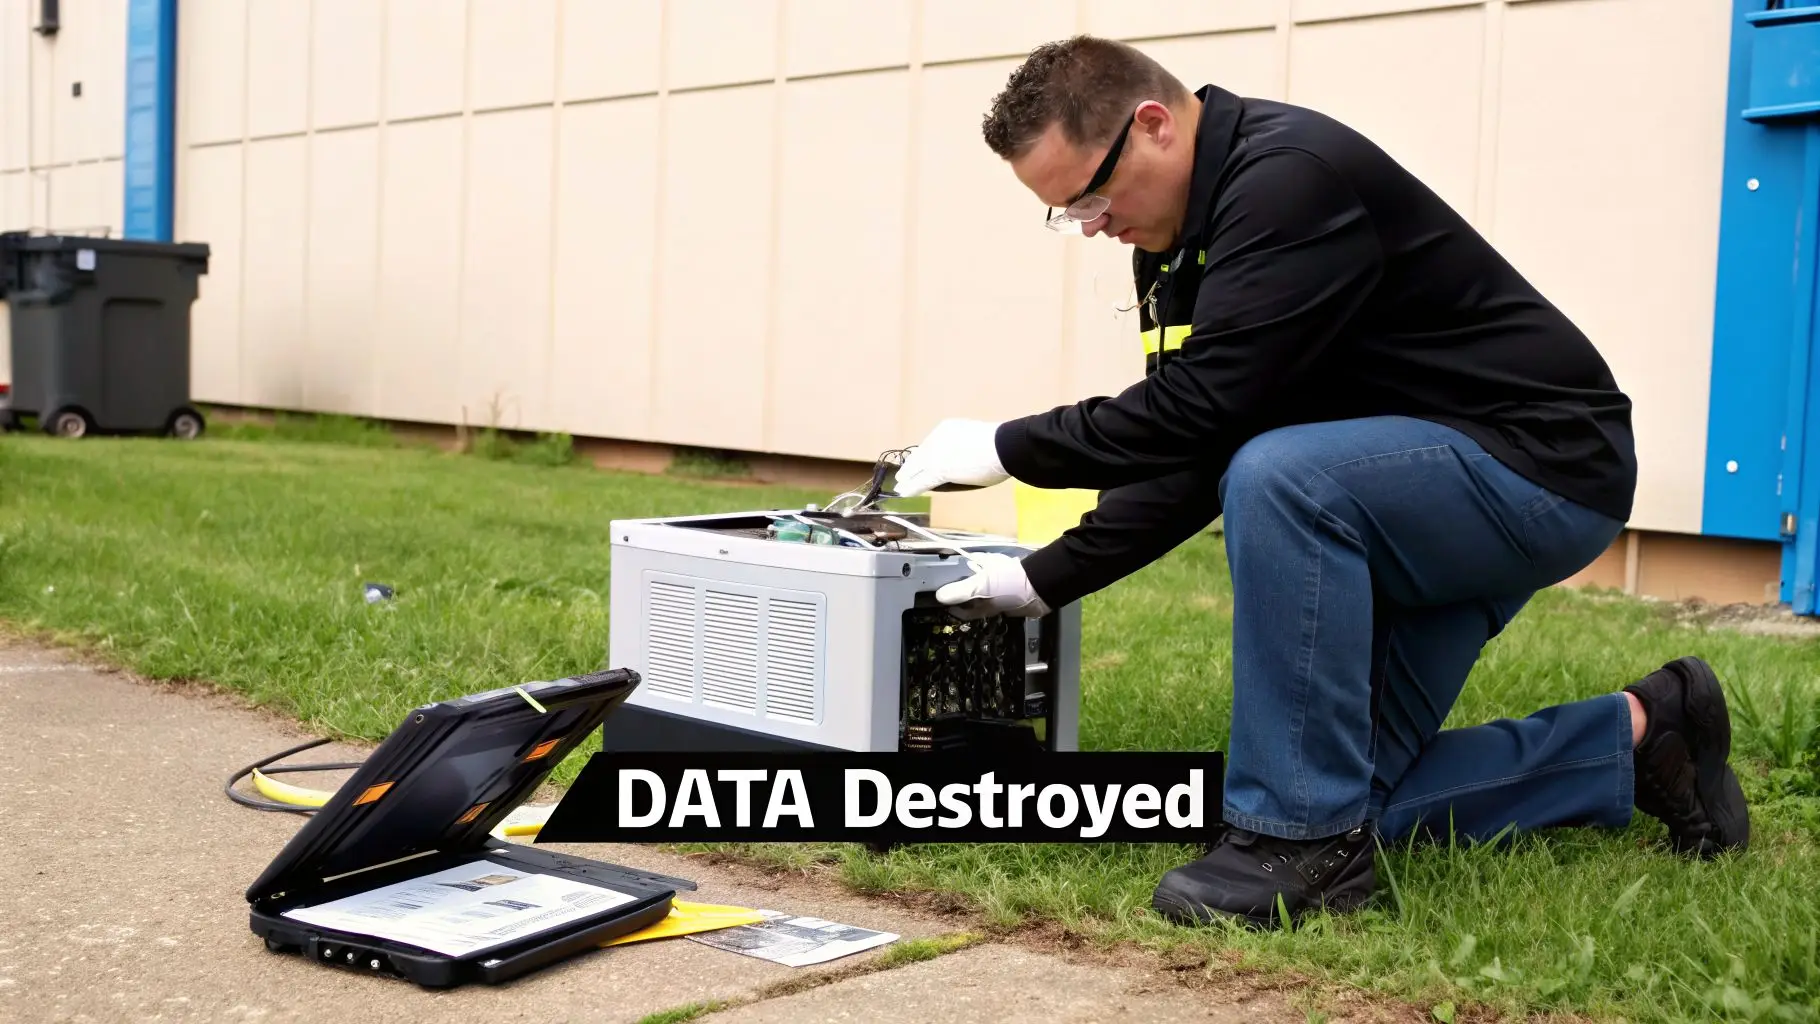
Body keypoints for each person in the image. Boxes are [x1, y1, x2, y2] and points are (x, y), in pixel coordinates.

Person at [889, 35, 1751, 929]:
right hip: (1408, 504)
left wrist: (1007, 445)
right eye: (1067, 213)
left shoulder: (1287, 183)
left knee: (1282, 479)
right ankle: (1648, 733)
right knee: (1350, 794)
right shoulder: (1181, 240)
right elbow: (1195, 442)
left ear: (1152, 125)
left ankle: (1299, 851)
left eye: (1091, 196)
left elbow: (1205, 413)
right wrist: (1042, 577)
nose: (1092, 226)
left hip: (1538, 469)